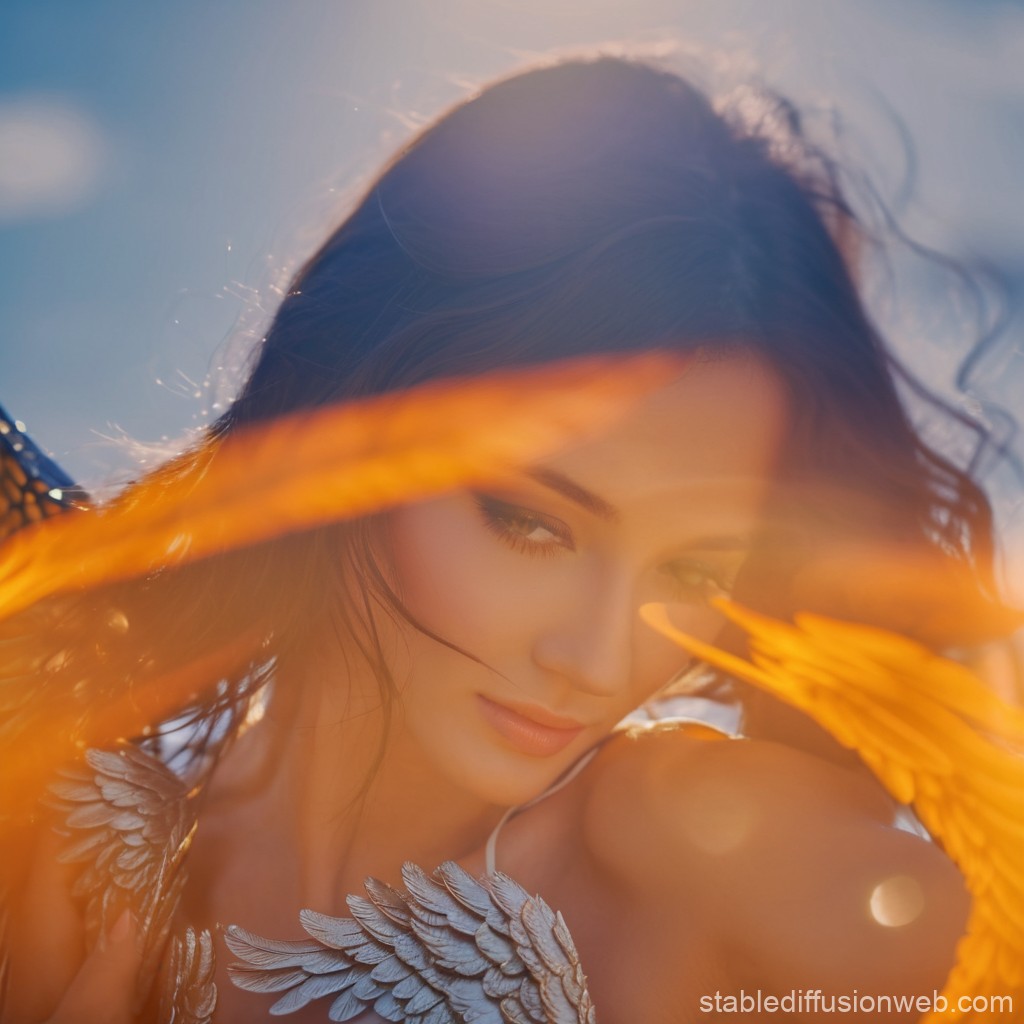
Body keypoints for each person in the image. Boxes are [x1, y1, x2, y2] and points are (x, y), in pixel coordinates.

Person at [0, 54, 1017, 1024]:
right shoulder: (79, 821)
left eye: (695, 566)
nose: (599, 656)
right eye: (530, 522)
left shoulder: (686, 847)